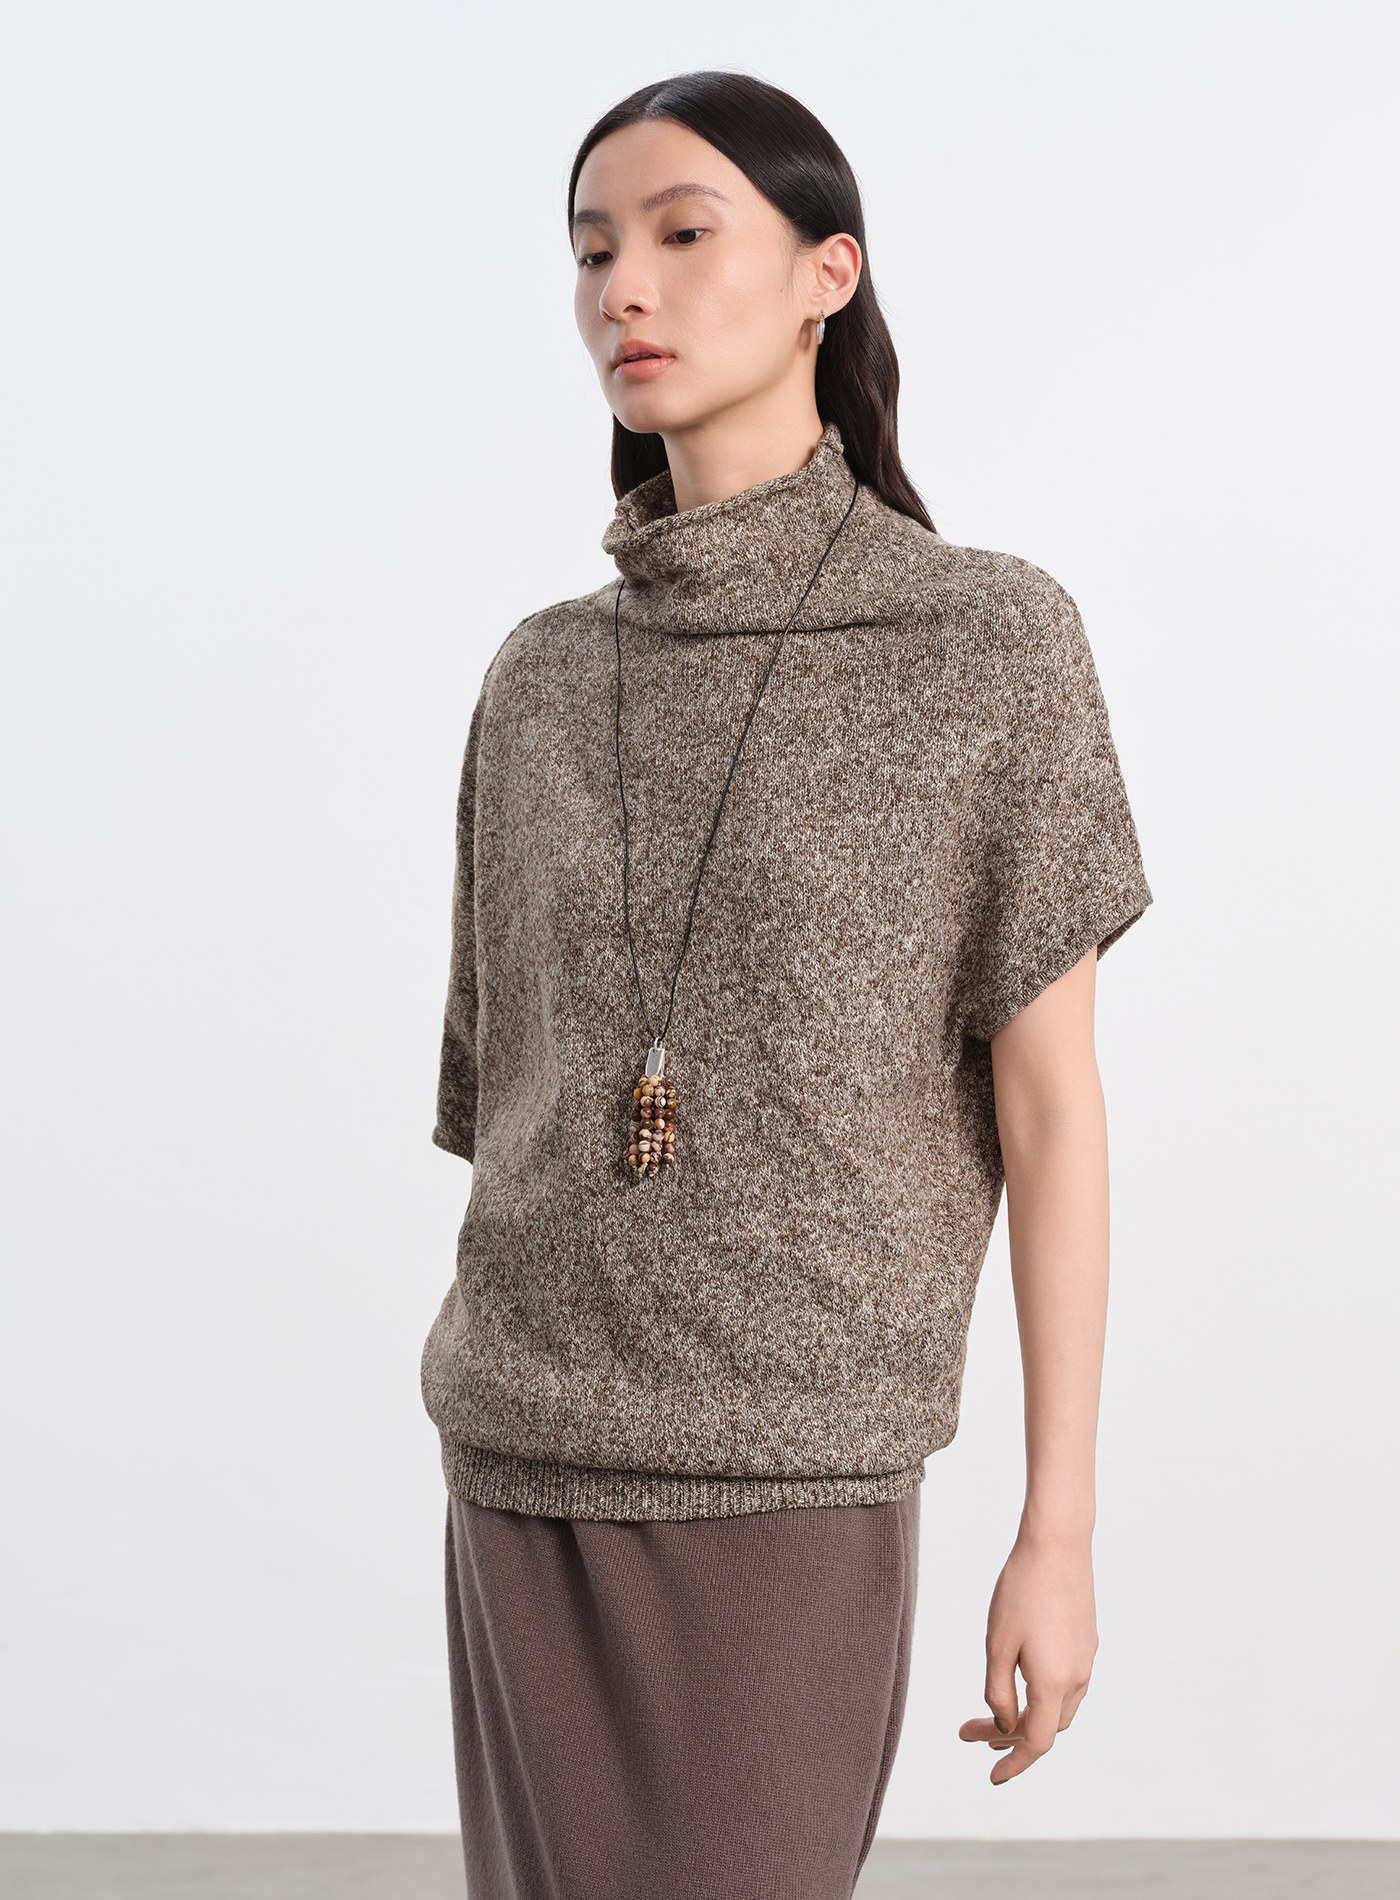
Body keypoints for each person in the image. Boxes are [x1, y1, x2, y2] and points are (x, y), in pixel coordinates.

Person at [422, 68, 1154, 1900]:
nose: (624, 289)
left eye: (684, 235)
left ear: (831, 274)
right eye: (592, 249)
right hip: (517, 1456)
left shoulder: (987, 642)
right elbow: (511, 1107)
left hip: (792, 1474)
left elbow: (1053, 1116)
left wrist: (1056, 1531)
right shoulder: (538, 680)